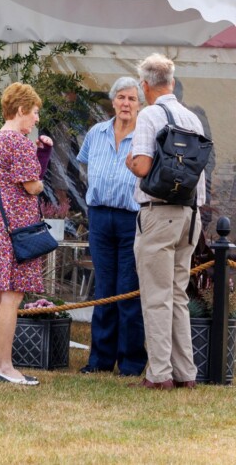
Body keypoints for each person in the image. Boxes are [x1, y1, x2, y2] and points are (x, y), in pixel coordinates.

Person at [126, 54, 205, 390]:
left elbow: (143, 167)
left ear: (145, 87)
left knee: (156, 295)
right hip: (191, 215)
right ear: (171, 83)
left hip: (159, 213)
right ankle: (185, 372)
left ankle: (159, 375)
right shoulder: (192, 118)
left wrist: (130, 161)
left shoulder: (149, 115)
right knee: (177, 294)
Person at [0, 82, 53, 386]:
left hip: (2, 222)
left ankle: (1, 365)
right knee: (12, 295)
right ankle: (6, 367)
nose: (36, 119)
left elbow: (25, 176)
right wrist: (43, 160)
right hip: (18, 227)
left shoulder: (1, 137)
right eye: (34, 113)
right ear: (21, 109)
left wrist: (39, 157)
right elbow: (33, 185)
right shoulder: (19, 142)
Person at [77, 76, 146, 376]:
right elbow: (83, 166)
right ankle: (100, 361)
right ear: (113, 100)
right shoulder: (96, 132)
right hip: (100, 217)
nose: (126, 104)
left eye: (131, 98)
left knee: (128, 289)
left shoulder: (146, 136)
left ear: (140, 104)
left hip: (132, 218)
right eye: (121, 97)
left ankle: (131, 363)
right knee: (104, 289)